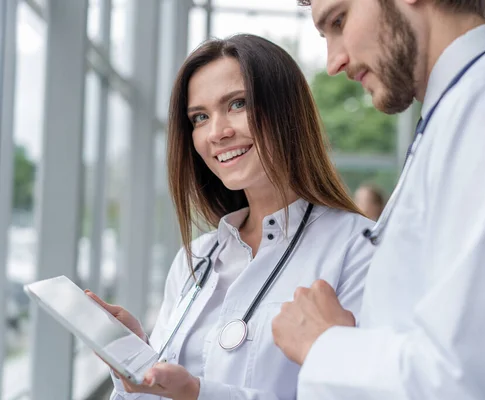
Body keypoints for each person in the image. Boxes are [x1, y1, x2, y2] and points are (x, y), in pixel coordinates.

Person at [272, 0, 485, 399]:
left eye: (340, 20)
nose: (333, 62)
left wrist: (323, 344)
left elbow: (477, 382)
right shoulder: (470, 110)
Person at [86, 33, 374, 400]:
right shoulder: (198, 258)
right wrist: (140, 359)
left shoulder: (357, 249)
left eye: (237, 104)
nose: (217, 133)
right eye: (200, 117)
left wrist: (197, 393)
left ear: (288, 110)